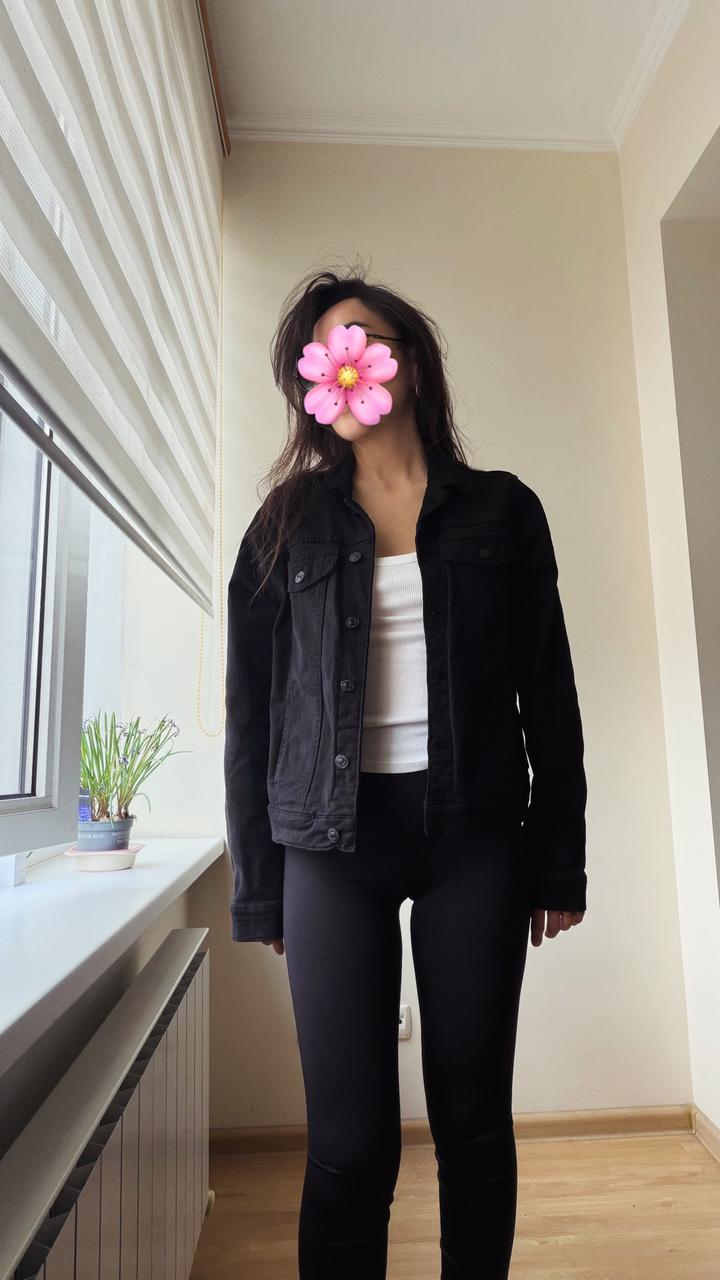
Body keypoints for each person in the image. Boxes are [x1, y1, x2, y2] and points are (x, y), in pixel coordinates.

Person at [224, 265, 587, 1279]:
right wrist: (260, 885)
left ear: (411, 364)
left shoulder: (502, 511)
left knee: (472, 1125)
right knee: (349, 1146)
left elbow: (548, 694)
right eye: (318, 357)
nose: (338, 369)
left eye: (358, 344)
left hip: (475, 834)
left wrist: (559, 860)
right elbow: (251, 714)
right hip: (327, 846)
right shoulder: (285, 522)